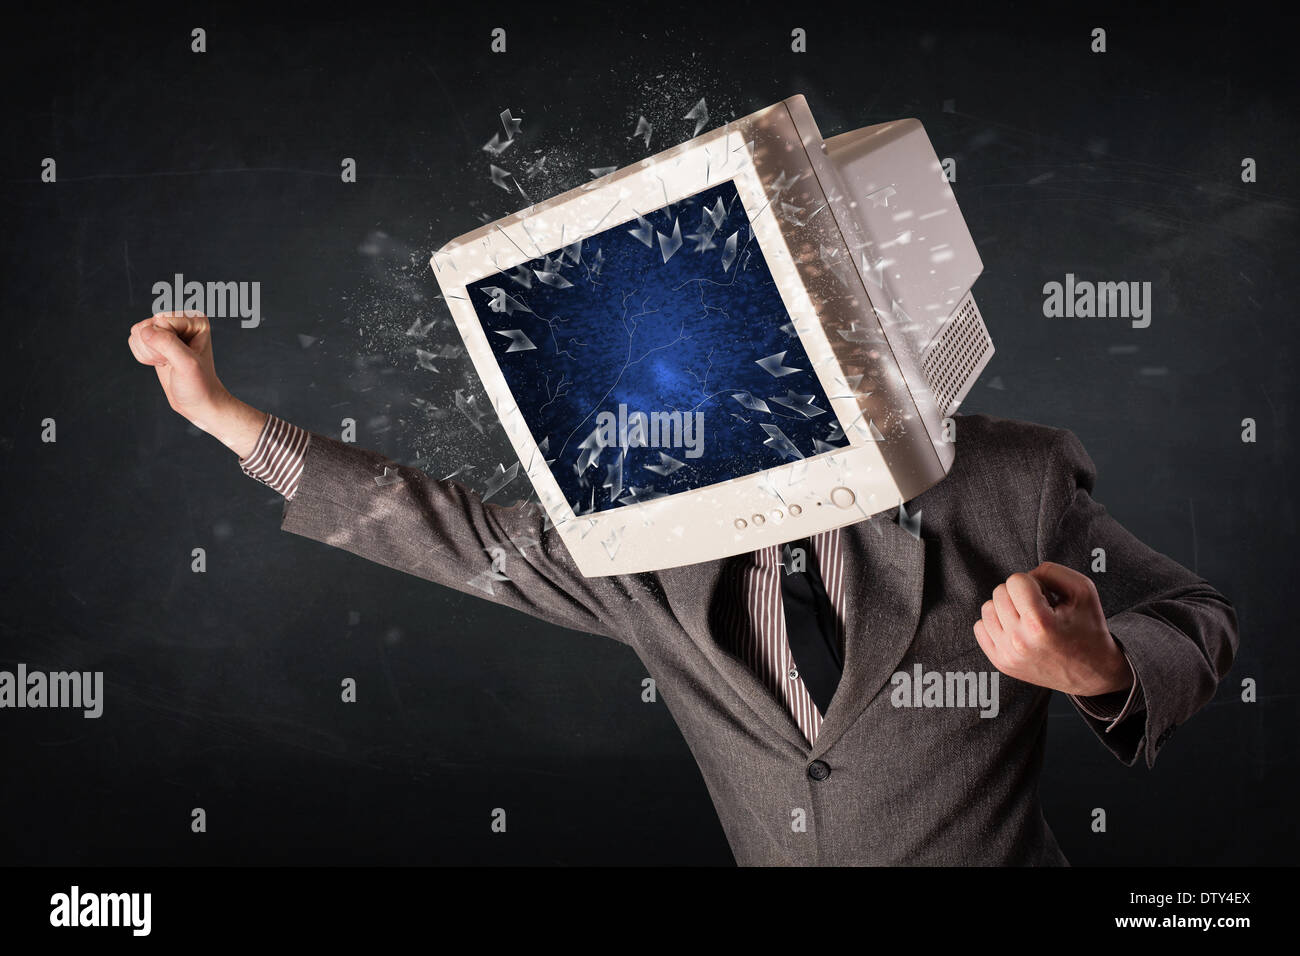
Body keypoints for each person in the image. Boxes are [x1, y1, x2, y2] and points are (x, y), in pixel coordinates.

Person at [127, 310, 1239, 865]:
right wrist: (220, 414)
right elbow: (452, 532)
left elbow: (1197, 621)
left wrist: (1097, 663)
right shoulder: (644, 541)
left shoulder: (1005, 480)